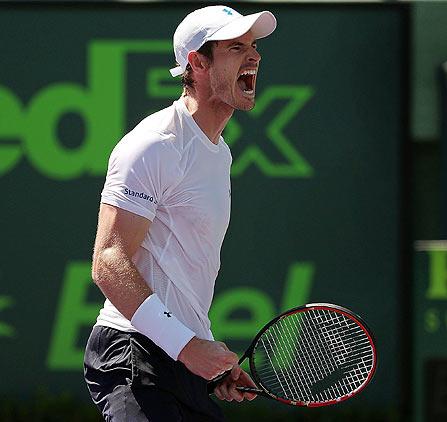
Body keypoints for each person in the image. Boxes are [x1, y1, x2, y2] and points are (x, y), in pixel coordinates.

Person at [83, 6, 277, 421]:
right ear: (197, 62)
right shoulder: (155, 144)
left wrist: (203, 353)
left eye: (254, 46)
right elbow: (108, 261)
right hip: (133, 354)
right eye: (236, 47)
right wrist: (187, 347)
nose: (254, 56)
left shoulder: (219, 152)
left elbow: (179, 271)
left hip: (179, 360)